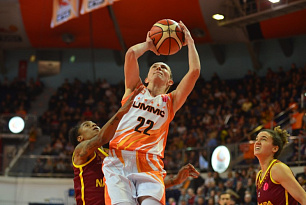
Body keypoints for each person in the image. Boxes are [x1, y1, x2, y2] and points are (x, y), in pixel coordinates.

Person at [102, 21, 201, 205]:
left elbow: (194, 72)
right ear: (146, 77)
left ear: (170, 82)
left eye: (164, 68)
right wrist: (149, 45)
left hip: (150, 163)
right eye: (155, 66)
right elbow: (131, 54)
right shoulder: (134, 89)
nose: (159, 68)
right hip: (119, 158)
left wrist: (190, 41)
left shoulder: (171, 102)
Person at [69, 86, 143, 205]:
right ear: (80, 138)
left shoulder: (109, 153)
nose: (94, 125)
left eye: (94, 124)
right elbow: (102, 138)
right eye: (87, 125)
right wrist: (123, 110)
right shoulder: (80, 150)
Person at [254, 126, 306, 205]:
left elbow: (303, 198)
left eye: (263, 139)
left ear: (274, 148)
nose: (257, 142)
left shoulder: (277, 168)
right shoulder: (259, 175)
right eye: (256, 139)